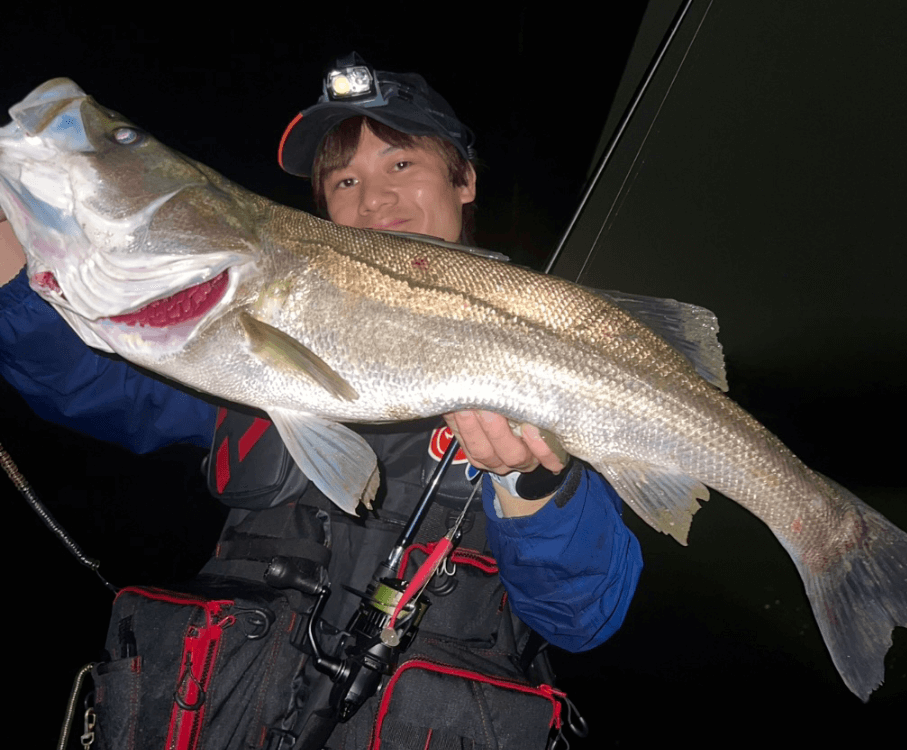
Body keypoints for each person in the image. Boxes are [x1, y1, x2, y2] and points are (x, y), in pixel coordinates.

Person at [0, 54, 642, 748]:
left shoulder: (548, 343)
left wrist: (533, 483)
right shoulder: (246, 352)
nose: (373, 199)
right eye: (345, 179)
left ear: (465, 181)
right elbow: (86, 383)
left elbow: (585, 616)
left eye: (402, 165)